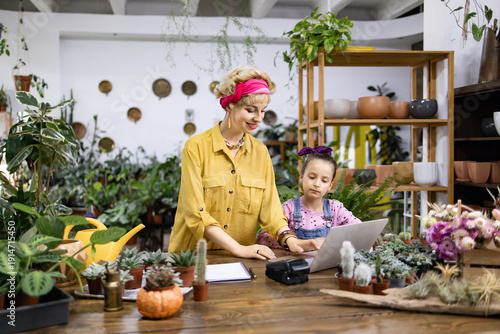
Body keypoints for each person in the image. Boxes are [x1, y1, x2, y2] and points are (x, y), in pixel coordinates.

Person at [168, 65, 318, 260]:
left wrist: (290, 239)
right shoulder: (195, 148)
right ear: (230, 105)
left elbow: (271, 210)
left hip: (241, 260)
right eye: (250, 110)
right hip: (191, 257)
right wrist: (238, 248)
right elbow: (196, 213)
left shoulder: (260, 152)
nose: (259, 118)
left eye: (263, 111)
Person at [257, 146, 362, 249]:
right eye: (312, 177)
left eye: (324, 180)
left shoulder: (336, 209)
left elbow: (360, 230)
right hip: (298, 264)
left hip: (327, 265)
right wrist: (292, 242)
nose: (317, 184)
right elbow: (263, 238)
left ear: (330, 185)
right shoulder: (289, 208)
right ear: (301, 178)